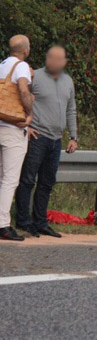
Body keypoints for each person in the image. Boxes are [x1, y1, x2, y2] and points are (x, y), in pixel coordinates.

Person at [15, 45, 78, 238]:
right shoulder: (35, 77)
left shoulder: (68, 82)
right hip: (37, 137)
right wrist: (26, 125)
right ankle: (23, 221)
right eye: (51, 57)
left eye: (58, 58)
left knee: (47, 182)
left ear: (64, 62)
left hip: (56, 140)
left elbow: (71, 110)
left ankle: (40, 222)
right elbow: (20, 97)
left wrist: (74, 137)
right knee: (27, 180)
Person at [0, 35, 34, 241]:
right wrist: (29, 115)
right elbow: (22, 89)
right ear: (25, 50)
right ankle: (3, 224)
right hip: (13, 128)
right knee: (10, 180)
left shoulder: (2, 65)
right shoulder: (21, 67)